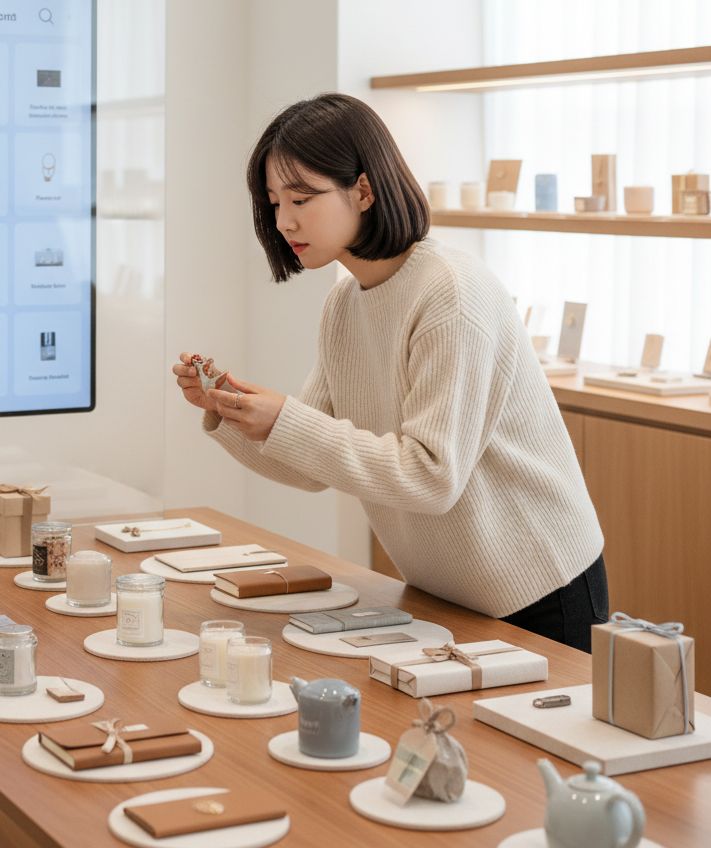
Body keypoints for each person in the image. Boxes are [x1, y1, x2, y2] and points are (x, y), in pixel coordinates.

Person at [172, 93, 607, 651]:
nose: (284, 220)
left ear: (364, 189)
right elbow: (312, 464)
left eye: (302, 197)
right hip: (448, 591)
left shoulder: (450, 293)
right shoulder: (345, 304)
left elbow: (430, 475)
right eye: (274, 201)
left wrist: (284, 418)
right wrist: (229, 410)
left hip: (541, 587)